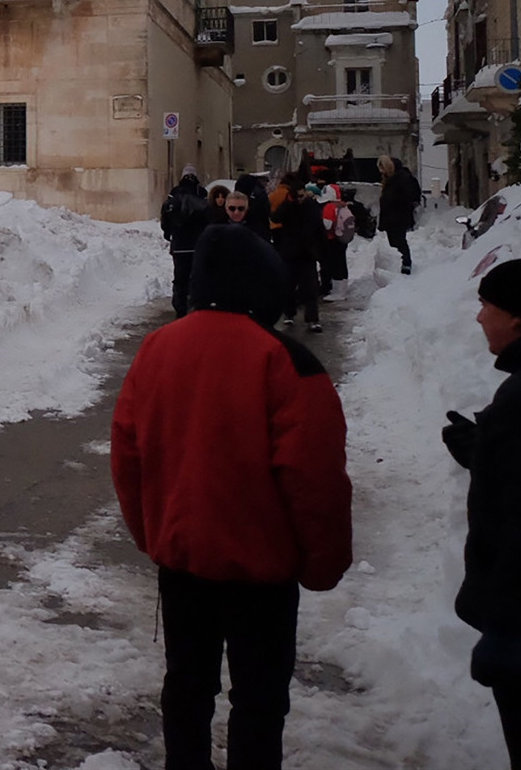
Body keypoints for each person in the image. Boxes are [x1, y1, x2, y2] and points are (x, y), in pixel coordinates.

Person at [112, 223, 352, 770]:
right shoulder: (286, 361)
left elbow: (127, 453)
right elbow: (315, 479)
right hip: (262, 572)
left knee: (187, 685)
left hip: (183, 560)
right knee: (260, 697)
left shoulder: (156, 348)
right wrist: (323, 563)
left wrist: (154, 533)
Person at [444, 259, 521, 765]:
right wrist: (482, 450)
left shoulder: (520, 398)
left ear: (518, 319)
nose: (478, 318)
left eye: (487, 306)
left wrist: (504, 626)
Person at [271, 174, 326, 333]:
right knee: (288, 285)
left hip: (307, 253)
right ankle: (289, 313)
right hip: (290, 252)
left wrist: (321, 250)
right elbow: (275, 217)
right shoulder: (288, 206)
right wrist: (288, 204)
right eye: (297, 197)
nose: (300, 199)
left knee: (310, 287)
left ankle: (313, 319)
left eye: (302, 195)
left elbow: (319, 228)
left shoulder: (311, 207)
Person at [160, 165, 211, 316]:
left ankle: (180, 308)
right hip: (198, 245)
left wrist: (168, 233)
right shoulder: (201, 194)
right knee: (197, 276)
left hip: (180, 246)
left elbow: (165, 218)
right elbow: (208, 217)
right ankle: (197, 305)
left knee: (180, 277)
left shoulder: (173, 195)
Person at [379, 154, 421, 275]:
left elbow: (408, 196)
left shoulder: (401, 178)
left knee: (399, 240)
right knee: (393, 241)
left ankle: (406, 263)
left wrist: (393, 200)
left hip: (398, 215)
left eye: (383, 169)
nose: (382, 172)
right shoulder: (390, 179)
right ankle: (398, 263)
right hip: (391, 215)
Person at [318, 183, 355, 299]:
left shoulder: (329, 207)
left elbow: (327, 225)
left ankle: (337, 292)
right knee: (341, 263)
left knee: (334, 264)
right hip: (342, 238)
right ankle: (342, 289)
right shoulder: (342, 205)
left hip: (332, 239)